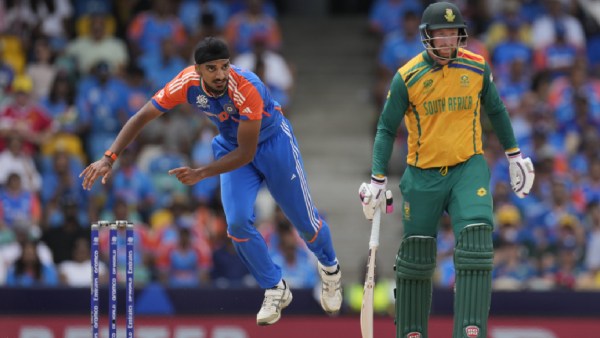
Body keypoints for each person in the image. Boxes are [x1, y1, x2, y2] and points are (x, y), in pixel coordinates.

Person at [79, 36, 342, 325]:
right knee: (237, 224)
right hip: (231, 146)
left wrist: (202, 172)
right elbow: (142, 116)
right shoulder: (186, 83)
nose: (220, 75)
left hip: (272, 145)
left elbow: (247, 153)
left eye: (225, 67)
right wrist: (109, 157)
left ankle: (330, 269)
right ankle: (274, 287)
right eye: (212, 68)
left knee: (305, 224)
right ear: (198, 70)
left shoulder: (247, 87)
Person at [358, 3, 535, 338]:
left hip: (467, 165)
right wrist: (377, 179)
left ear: (460, 35)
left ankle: (470, 329)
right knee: (417, 254)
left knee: (477, 239)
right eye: (440, 33)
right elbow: (385, 129)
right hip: (422, 171)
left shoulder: (477, 67)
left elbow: (495, 109)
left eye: (452, 32)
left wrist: (514, 155)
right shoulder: (407, 76)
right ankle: (411, 331)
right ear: (427, 36)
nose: (447, 39)